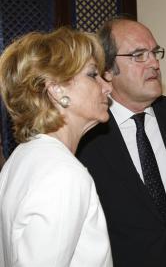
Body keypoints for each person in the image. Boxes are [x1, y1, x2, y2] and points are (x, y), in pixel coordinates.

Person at [76, 16, 166, 267]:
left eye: (155, 53)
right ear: (107, 70)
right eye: (139, 55)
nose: (154, 63)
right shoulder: (86, 133)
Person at [0, 27, 113, 266]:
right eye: (93, 75)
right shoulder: (64, 173)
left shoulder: (21, 158)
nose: (107, 87)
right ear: (56, 89)